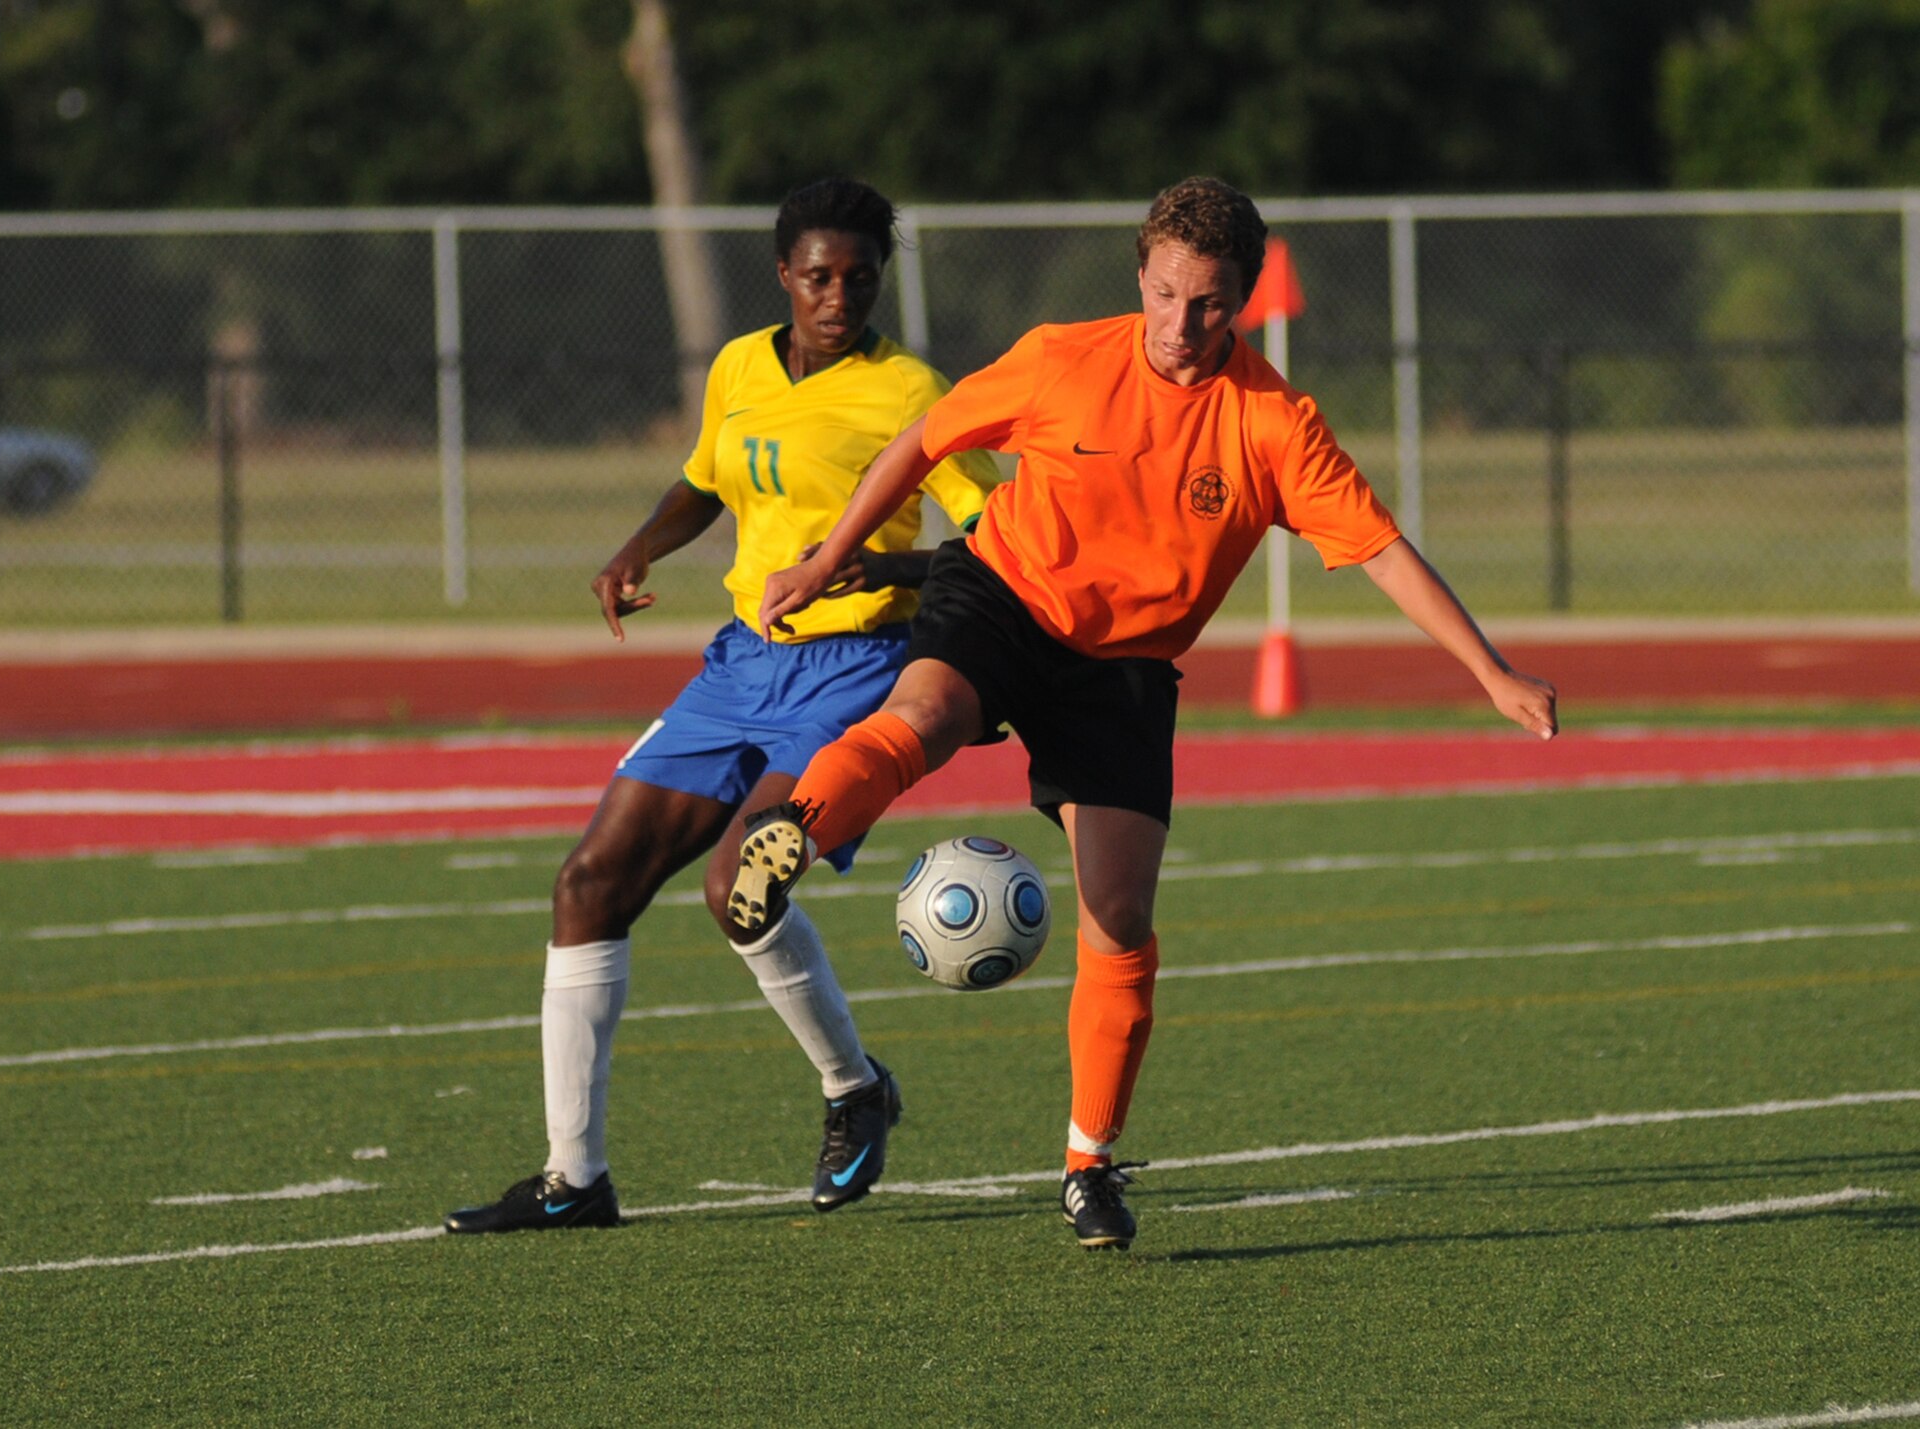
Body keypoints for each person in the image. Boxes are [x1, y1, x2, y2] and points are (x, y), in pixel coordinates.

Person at [730, 176, 1558, 1252]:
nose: (1181, 325)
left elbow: (1381, 551)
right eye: (1164, 295)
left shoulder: (1273, 422)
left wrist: (1488, 671)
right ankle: (793, 833)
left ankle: (1088, 1165)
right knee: (924, 711)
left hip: (1120, 672)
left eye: (1208, 303)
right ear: (1139, 277)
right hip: (1001, 593)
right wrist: (827, 557)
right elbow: (923, 444)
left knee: (1117, 919)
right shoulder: (1061, 357)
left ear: (1243, 300)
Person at [445, 177, 998, 1233]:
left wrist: (880, 568)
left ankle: (853, 1089)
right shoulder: (741, 365)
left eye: (861, 275)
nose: (840, 294)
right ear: (783, 275)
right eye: (820, 275)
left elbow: (994, 539)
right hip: (740, 664)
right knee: (587, 882)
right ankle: (574, 1179)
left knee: (737, 885)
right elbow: (704, 480)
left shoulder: (915, 392)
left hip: (855, 670)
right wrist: (638, 544)